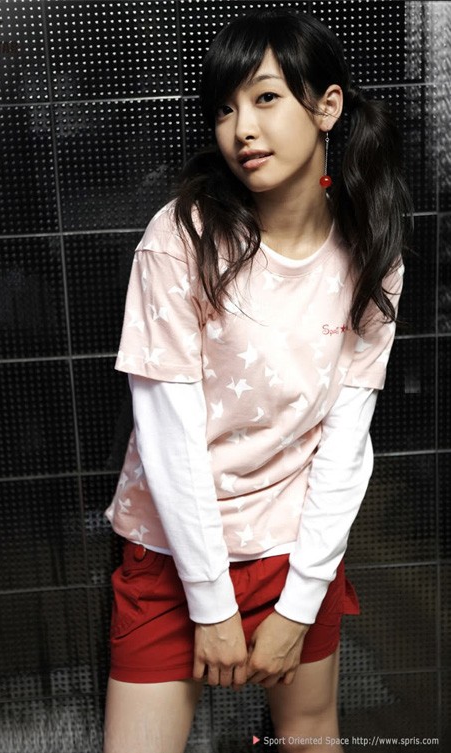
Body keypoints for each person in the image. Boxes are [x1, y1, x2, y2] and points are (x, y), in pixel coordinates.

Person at [103, 9, 412, 753]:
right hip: (172, 554)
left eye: (266, 98)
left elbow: (345, 446)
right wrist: (210, 603)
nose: (242, 128)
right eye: (225, 108)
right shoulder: (180, 239)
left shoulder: (372, 256)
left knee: (308, 736)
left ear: (327, 106)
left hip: (295, 549)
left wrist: (299, 603)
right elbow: (167, 438)